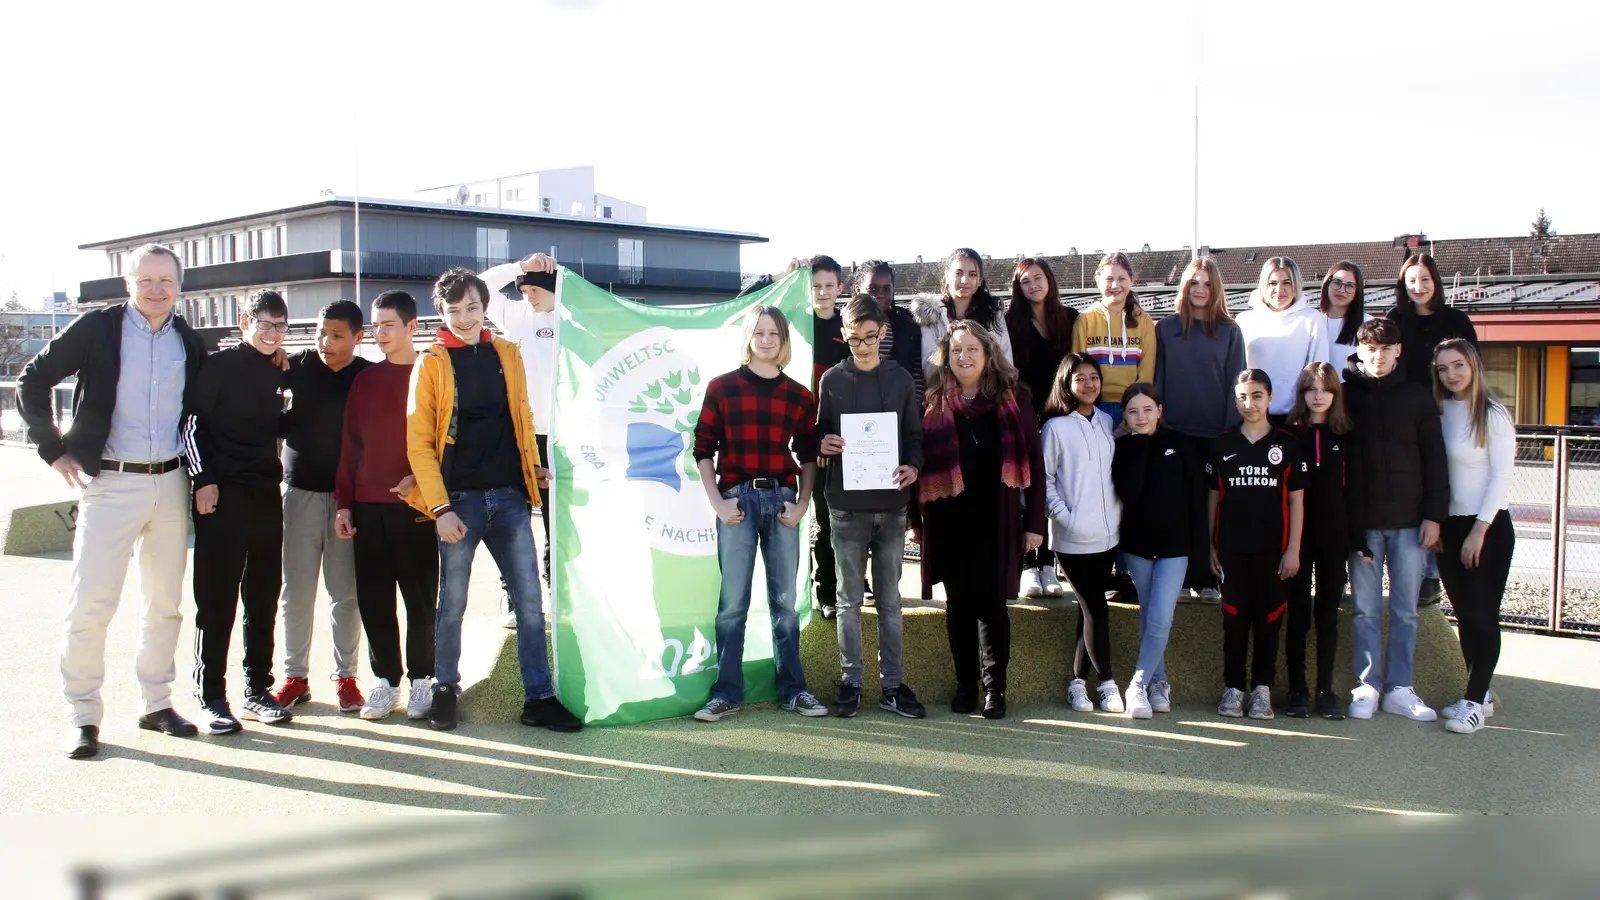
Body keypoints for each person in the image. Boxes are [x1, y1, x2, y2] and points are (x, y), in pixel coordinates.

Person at [17, 243, 208, 759]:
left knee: (164, 605)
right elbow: (33, 380)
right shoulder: (98, 329)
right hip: (110, 483)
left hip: (171, 483)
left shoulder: (189, 342)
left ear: (180, 285)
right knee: (90, 604)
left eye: (165, 280)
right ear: (128, 283)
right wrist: (53, 450)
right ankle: (83, 715)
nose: (156, 289)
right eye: (146, 280)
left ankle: (156, 704)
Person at [404, 267, 580, 733]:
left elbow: (522, 417)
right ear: (440, 312)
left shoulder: (507, 352)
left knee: (530, 602)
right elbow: (419, 443)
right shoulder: (432, 362)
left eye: (473, 307)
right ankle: (445, 688)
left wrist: (531, 467)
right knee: (452, 603)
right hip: (457, 502)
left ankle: (539, 697)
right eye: (454, 310)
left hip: (509, 499)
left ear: (486, 308)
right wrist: (440, 508)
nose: (465, 318)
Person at [690, 305, 827, 722]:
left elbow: (808, 456)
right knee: (733, 604)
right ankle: (726, 693)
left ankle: (793, 690)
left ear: (784, 341)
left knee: (785, 603)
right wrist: (717, 502)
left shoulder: (799, 396)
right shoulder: (722, 388)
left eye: (775, 334)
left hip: (782, 502)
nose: (767, 340)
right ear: (748, 337)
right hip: (737, 503)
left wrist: (802, 504)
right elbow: (702, 450)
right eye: (760, 332)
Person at [912, 321, 1045, 719]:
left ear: (988, 354)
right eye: (956, 350)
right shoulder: (932, 403)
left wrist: (1034, 523)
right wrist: (914, 521)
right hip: (948, 520)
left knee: (991, 605)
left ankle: (994, 689)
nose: (964, 357)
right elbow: (915, 464)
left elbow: (1035, 465)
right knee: (958, 606)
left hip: (997, 519)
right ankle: (965, 684)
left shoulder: (1015, 400)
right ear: (946, 357)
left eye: (972, 349)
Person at [184, 289, 297, 733]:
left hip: (266, 495)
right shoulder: (218, 366)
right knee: (217, 600)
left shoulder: (278, 369)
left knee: (263, 597)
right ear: (244, 321)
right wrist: (203, 479)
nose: (272, 333)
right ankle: (211, 695)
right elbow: (190, 425)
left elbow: (281, 420)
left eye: (280, 326)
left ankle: (257, 690)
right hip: (221, 496)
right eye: (264, 323)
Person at [815, 296, 926, 719]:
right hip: (846, 507)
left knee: (889, 601)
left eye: (870, 337)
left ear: (883, 333)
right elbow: (820, 435)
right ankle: (851, 682)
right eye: (854, 339)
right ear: (843, 336)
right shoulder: (831, 381)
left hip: (892, 505)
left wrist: (913, 466)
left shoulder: (900, 379)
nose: (862, 346)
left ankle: (893, 686)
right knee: (847, 600)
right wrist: (823, 443)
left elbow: (914, 436)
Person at [335, 290, 437, 721]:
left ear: (412, 326)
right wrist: (344, 504)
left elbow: (445, 440)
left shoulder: (433, 373)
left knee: (420, 598)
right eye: (376, 326)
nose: (380, 333)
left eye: (388, 325)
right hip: (367, 506)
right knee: (375, 599)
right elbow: (350, 445)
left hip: (417, 507)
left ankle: (422, 679)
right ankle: (386, 680)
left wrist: (422, 479)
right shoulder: (366, 380)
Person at [1341, 318, 1449, 722]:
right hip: (1364, 525)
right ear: (1359, 350)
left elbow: (1435, 459)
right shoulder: (1345, 397)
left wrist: (1434, 516)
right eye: (1371, 349)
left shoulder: (1418, 397)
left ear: (1398, 351)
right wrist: (1348, 523)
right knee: (1365, 610)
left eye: (1386, 348)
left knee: (1406, 610)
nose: (1378, 356)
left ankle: (1400, 688)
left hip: (1410, 524)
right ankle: (1367, 685)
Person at [273, 300, 370, 714]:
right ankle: (295, 677)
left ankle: (347, 677)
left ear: (357, 337)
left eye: (337, 335)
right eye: (320, 333)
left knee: (344, 593)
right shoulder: (294, 365)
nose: (325, 342)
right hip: (298, 495)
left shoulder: (366, 376)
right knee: (296, 592)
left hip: (348, 502)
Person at [1207, 370, 1307, 720]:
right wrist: (1210, 546)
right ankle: (1233, 688)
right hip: (1232, 549)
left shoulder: (1287, 444)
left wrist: (1293, 550)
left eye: (1257, 396)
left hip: (1274, 552)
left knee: (1269, 620)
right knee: (1234, 621)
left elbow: (1296, 501)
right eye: (1242, 397)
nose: (1249, 404)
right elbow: (1213, 498)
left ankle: (1262, 689)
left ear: (1270, 398)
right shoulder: (1222, 443)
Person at [1431, 339, 1515, 735]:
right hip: (1449, 527)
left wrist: (1479, 531)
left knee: (1482, 615)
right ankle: (1476, 695)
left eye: (1458, 365)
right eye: (1443, 368)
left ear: (1473, 365)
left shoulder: (1493, 413)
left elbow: (1501, 478)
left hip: (1487, 528)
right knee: (1464, 614)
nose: (1451, 374)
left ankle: (1475, 701)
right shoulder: (1441, 410)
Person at [1388, 253, 1477, 608]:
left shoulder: (1456, 320)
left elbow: (1473, 368)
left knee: (1443, 488)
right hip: (1407, 419)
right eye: (1412, 280)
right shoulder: (1396, 320)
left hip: (1448, 414)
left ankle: (1434, 574)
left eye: (1425, 279)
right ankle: (1418, 572)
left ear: (1436, 281)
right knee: (1414, 489)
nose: (1419, 286)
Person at [1154, 256, 1245, 602]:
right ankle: (1178, 578)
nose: (1201, 289)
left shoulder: (1230, 331)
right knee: (1178, 507)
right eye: (1194, 283)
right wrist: (1161, 426)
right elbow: (1158, 380)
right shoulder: (1166, 329)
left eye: (1207, 284)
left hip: (1215, 435)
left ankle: (1207, 577)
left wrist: (1228, 433)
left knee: (1211, 510)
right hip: (1175, 433)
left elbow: (1236, 383)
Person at [1112, 383, 1204, 718]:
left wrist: (1200, 547)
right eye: (1133, 412)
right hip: (1137, 545)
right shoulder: (1121, 447)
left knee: (1162, 615)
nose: (1141, 417)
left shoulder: (1179, 442)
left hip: (1174, 546)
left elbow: (1196, 495)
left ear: (1160, 411)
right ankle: (1159, 681)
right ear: (1124, 416)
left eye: (1148, 410)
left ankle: (1137, 684)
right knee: (1149, 613)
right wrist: (1138, 444)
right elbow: (1129, 493)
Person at [480, 253, 560, 626]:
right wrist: (520, 267)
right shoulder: (515, 316)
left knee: (556, 522)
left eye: (534, 290)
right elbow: (480, 287)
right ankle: (516, 598)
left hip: (559, 437)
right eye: (524, 290)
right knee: (513, 521)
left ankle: (558, 593)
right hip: (518, 436)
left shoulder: (573, 319)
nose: (528, 296)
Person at [1042, 353, 1123, 713]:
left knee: (1087, 613)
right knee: (1096, 608)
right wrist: (1066, 518)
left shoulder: (1106, 421)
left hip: (1108, 537)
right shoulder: (1055, 428)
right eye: (1080, 378)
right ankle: (1107, 683)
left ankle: (1077, 683)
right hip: (1072, 540)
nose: (1089, 384)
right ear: (1066, 383)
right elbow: (1044, 481)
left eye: (1094, 377)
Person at [1284, 362, 1364, 719]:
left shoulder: (1346, 436)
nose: (1318, 396)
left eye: (1325, 390)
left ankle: (1325, 689)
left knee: (1327, 615)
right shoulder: (1288, 436)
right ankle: (1297, 688)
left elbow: (1356, 490)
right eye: (1311, 389)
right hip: (1297, 539)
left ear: (1335, 394)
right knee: (1298, 613)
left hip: (1334, 538)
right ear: (1302, 393)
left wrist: (1358, 539)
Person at [1006, 258, 1076, 599]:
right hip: (1025, 414)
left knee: (1056, 486)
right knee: (1027, 486)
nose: (1033, 285)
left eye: (1038, 278)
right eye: (1025, 281)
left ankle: (1049, 563)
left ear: (1049, 280)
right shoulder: (1010, 323)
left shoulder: (1071, 318)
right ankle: (1027, 565)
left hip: (1061, 414)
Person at [1236, 257, 1330, 422]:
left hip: (1294, 416)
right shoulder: (1245, 320)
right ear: (1264, 285)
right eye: (1273, 283)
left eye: (1287, 283)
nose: (1279, 289)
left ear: (1296, 285)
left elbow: (1318, 370)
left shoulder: (1311, 319)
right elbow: (1236, 370)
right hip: (1252, 414)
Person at [808, 255, 850, 621]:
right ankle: (818, 589)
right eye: (815, 286)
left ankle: (839, 588)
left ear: (840, 288)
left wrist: (829, 435)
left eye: (828, 285)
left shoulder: (846, 328)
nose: (822, 292)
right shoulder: (796, 324)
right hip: (799, 439)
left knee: (836, 520)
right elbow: (750, 301)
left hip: (835, 441)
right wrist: (780, 275)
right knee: (807, 520)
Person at [1071, 252, 1156, 420]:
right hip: (1094, 405)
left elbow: (1146, 373)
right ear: (1098, 281)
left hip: (1131, 406)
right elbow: (1077, 369)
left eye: (1122, 279)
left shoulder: (1144, 320)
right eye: (1109, 279)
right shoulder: (1085, 320)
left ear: (1132, 280)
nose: (1115, 285)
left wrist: (1134, 409)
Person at [910, 247, 1013, 385]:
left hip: (989, 390)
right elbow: (930, 367)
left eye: (972, 274)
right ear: (947, 276)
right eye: (958, 273)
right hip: (945, 391)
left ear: (979, 280)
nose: (964, 280)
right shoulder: (931, 314)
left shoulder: (993, 313)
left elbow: (1005, 360)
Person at [853, 259, 926, 403]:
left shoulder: (906, 324)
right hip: (858, 404)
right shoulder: (847, 325)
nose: (880, 294)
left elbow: (916, 371)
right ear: (858, 288)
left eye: (887, 288)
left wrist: (913, 405)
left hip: (900, 403)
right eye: (873, 289)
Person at [1320, 261, 1372, 380]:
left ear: (1357, 291)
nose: (1342, 290)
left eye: (1349, 286)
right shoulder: (1314, 322)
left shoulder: (1367, 324)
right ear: (1327, 284)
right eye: (1337, 282)